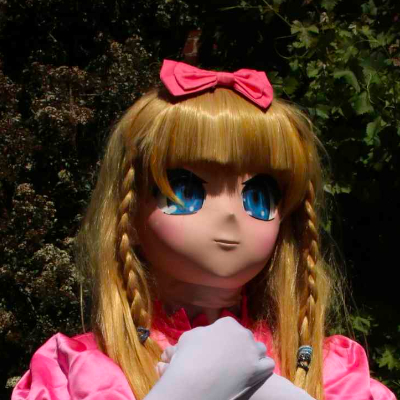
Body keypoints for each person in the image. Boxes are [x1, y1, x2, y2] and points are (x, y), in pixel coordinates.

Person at [12, 60, 396, 400]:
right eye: (185, 190)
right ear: (129, 212)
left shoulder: (335, 373)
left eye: (258, 196)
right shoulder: (78, 372)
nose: (229, 214)